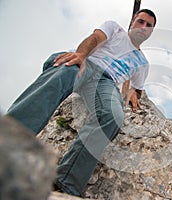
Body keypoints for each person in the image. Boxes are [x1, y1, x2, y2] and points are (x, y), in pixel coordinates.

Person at [6, 9, 156, 196]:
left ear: (151, 32)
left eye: (148, 25)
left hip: (105, 82)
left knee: (113, 116)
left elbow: (136, 88)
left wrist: (132, 93)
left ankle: (66, 182)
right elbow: (95, 38)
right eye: (140, 21)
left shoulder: (143, 63)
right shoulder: (115, 29)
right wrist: (81, 55)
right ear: (133, 21)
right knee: (62, 74)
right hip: (87, 62)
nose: (143, 27)